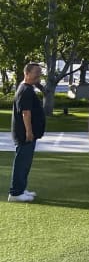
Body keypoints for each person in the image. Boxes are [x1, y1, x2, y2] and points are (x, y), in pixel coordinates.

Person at [8, 63, 46, 203]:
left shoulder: (28, 88)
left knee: (25, 164)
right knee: (21, 163)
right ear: (27, 73)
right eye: (36, 72)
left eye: (40, 72)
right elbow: (26, 113)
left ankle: (21, 189)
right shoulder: (25, 90)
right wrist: (29, 132)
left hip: (27, 134)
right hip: (24, 134)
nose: (39, 75)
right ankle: (15, 193)